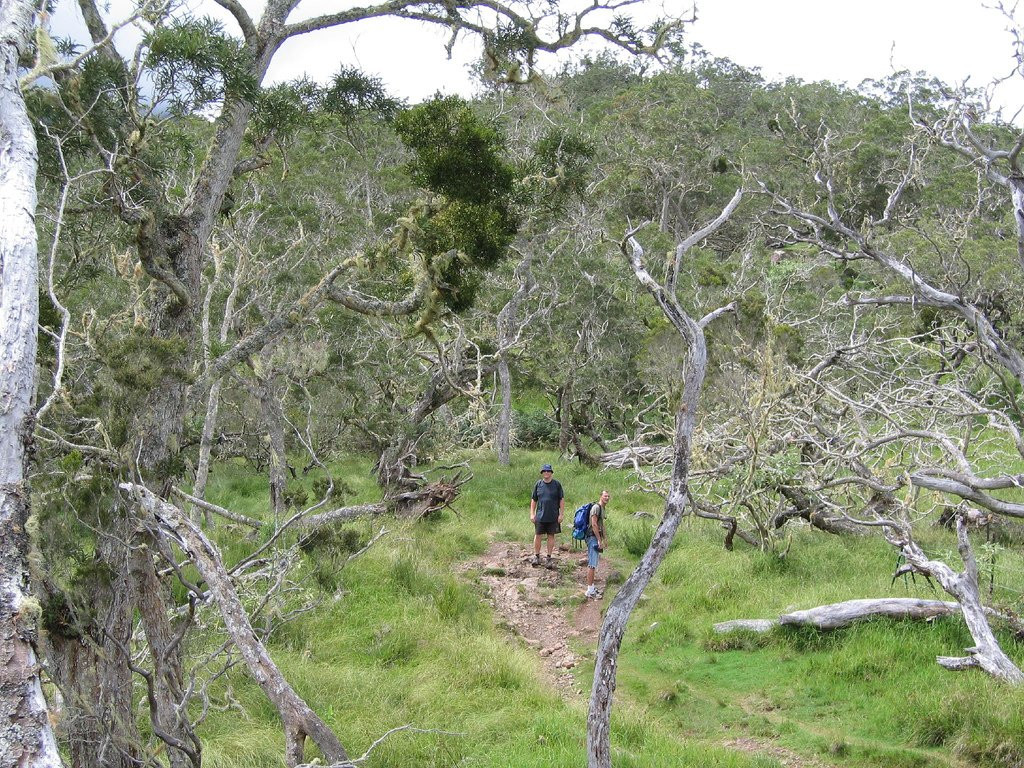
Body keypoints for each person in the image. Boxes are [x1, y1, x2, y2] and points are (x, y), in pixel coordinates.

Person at [530, 463, 564, 568]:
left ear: (551, 473)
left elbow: (561, 499)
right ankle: (536, 556)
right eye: (544, 471)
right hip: (540, 515)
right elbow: (534, 499)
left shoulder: (557, 484)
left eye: (548, 471)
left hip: (553, 515)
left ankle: (549, 557)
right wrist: (532, 513)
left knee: (551, 536)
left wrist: (561, 514)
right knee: (538, 535)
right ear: (542, 473)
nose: (546, 473)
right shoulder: (538, 484)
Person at [585, 490, 610, 598]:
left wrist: (604, 538)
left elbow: (601, 524)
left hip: (596, 537)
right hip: (592, 537)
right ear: (600, 496)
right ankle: (589, 590)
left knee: (594, 563)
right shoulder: (596, 508)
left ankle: (592, 587)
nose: (607, 498)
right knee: (592, 563)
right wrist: (599, 540)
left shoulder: (602, 509)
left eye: (608, 496)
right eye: (605, 496)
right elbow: (594, 524)